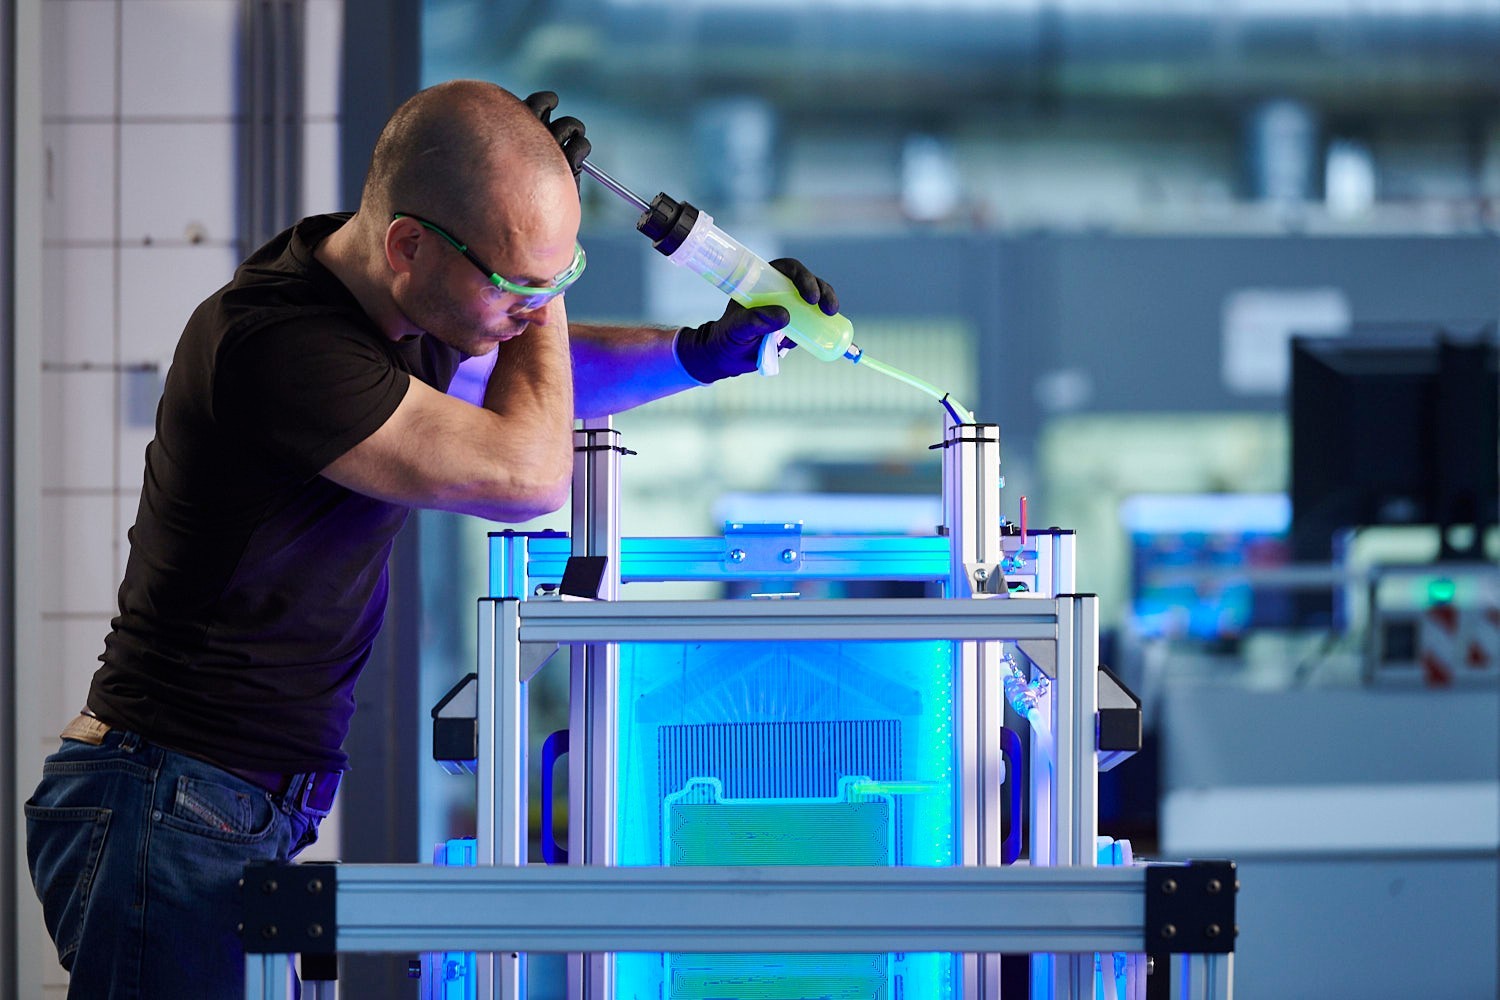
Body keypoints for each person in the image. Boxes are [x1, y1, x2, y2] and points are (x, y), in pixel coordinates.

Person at [24, 79, 841, 999]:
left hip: (216, 804)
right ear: (409, 244)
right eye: (518, 284)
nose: (534, 308)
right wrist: (552, 275)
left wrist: (703, 351)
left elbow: (523, 380)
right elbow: (527, 472)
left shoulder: (391, 304)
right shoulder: (278, 344)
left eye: (549, 284)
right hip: (166, 803)